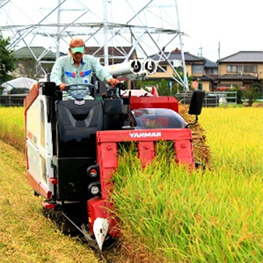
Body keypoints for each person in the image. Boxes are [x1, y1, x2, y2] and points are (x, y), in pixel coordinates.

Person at [50, 38, 119, 92]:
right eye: (75, 53)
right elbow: (54, 76)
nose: (78, 56)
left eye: (80, 53)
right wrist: (60, 84)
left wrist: (109, 79)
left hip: (85, 96)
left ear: (84, 50)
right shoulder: (61, 61)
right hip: (66, 97)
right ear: (69, 50)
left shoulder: (91, 60)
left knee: (97, 106)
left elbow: (100, 71)